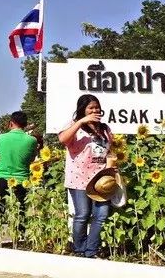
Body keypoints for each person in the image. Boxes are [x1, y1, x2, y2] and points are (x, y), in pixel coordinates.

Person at [58, 94, 114, 258]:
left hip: (101, 180)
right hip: (79, 178)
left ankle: (91, 250)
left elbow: (110, 150)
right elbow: (62, 139)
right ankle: (79, 249)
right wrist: (81, 122)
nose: (95, 110)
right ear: (83, 109)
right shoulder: (74, 126)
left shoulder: (104, 129)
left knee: (101, 215)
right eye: (91, 108)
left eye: (97, 107)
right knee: (82, 214)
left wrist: (112, 165)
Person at [0, 111, 37, 214]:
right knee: (20, 213)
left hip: (2, 179)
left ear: (11, 123)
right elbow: (31, 159)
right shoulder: (32, 140)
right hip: (22, 180)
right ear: (26, 125)